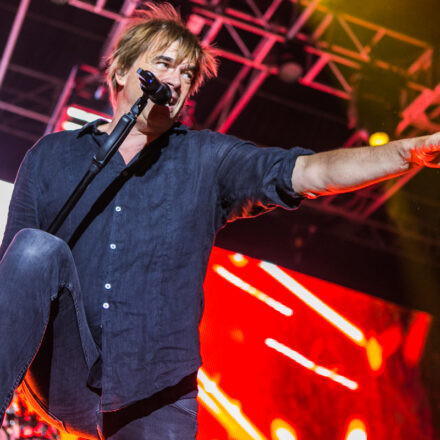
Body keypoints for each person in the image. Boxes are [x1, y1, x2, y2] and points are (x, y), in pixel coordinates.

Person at [0, 2, 439, 439]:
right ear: (120, 72)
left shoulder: (206, 159)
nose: (175, 79)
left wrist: (405, 152)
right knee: (36, 249)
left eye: (187, 74)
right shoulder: (53, 156)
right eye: (164, 64)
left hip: (154, 391)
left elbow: (309, 173)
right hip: (62, 373)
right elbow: (14, 276)